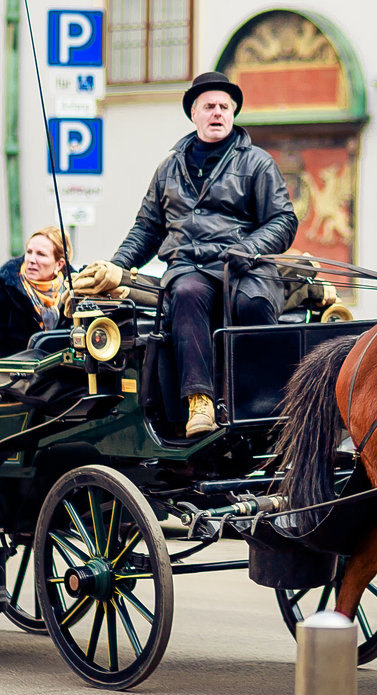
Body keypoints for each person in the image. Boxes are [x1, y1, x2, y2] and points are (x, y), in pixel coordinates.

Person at [91, 71, 297, 437]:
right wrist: (116, 265)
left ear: (233, 113)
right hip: (189, 267)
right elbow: (146, 229)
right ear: (194, 114)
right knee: (184, 294)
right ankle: (199, 402)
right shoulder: (168, 168)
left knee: (253, 304)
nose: (217, 113)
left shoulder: (257, 163)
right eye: (209, 107)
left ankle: (266, 398)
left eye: (224, 107)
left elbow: (282, 220)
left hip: (244, 267)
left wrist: (249, 248)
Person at [0, 226, 71, 357]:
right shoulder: (4, 287)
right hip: (15, 373)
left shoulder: (74, 292)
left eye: (41, 254)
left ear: (59, 264)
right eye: (29, 252)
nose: (31, 260)